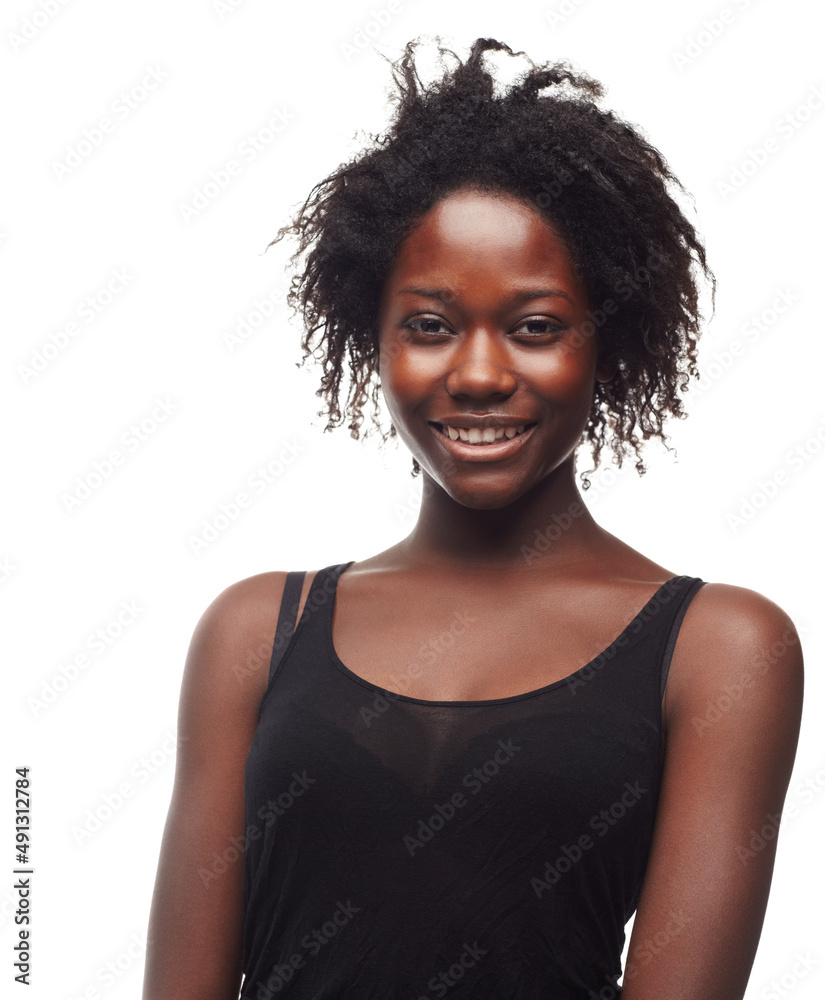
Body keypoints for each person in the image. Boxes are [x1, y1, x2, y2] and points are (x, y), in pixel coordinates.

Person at [141, 37, 804, 1000]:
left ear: (607, 346)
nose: (482, 374)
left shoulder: (719, 648)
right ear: (369, 341)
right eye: (430, 324)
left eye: (534, 326)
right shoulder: (255, 631)